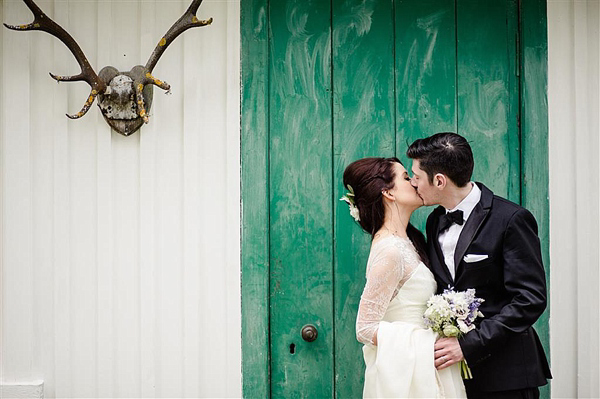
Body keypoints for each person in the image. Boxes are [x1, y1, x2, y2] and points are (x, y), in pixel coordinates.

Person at [406, 133, 552, 399]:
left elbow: (530, 299)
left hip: (507, 375)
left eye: (416, 176)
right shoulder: (435, 220)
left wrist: (469, 344)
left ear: (439, 180)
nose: (413, 183)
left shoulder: (511, 219)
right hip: (452, 377)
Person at [343, 157, 466, 398]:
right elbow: (365, 328)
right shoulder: (390, 251)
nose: (415, 183)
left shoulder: (411, 241)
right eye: (406, 178)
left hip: (430, 370)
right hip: (410, 377)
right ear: (388, 192)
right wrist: (425, 344)